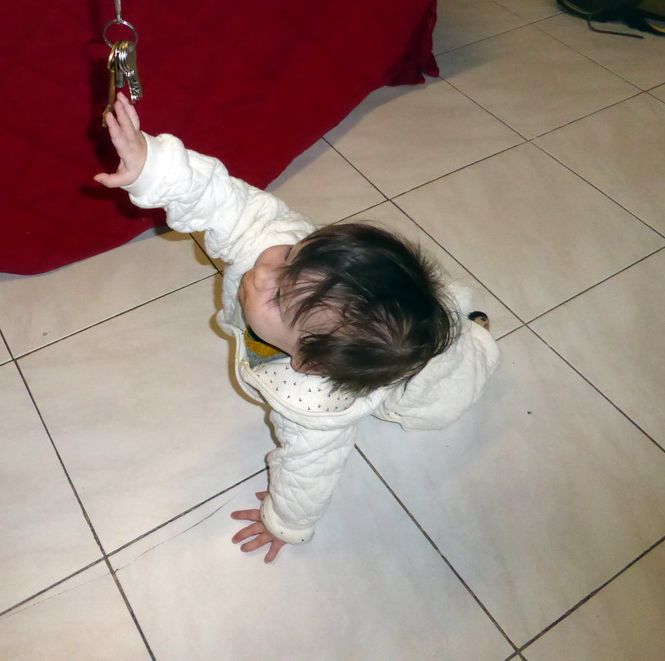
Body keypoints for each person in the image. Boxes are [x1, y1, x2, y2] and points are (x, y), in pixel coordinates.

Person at [94, 93, 501, 563]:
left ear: (307, 363)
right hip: (391, 326)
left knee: (434, 404)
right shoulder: (279, 252)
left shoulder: (316, 409)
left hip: (430, 374)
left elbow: (309, 471)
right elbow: (228, 203)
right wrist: (154, 167)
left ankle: (477, 336)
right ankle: (458, 320)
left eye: (278, 297)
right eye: (291, 257)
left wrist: (285, 522)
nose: (261, 271)